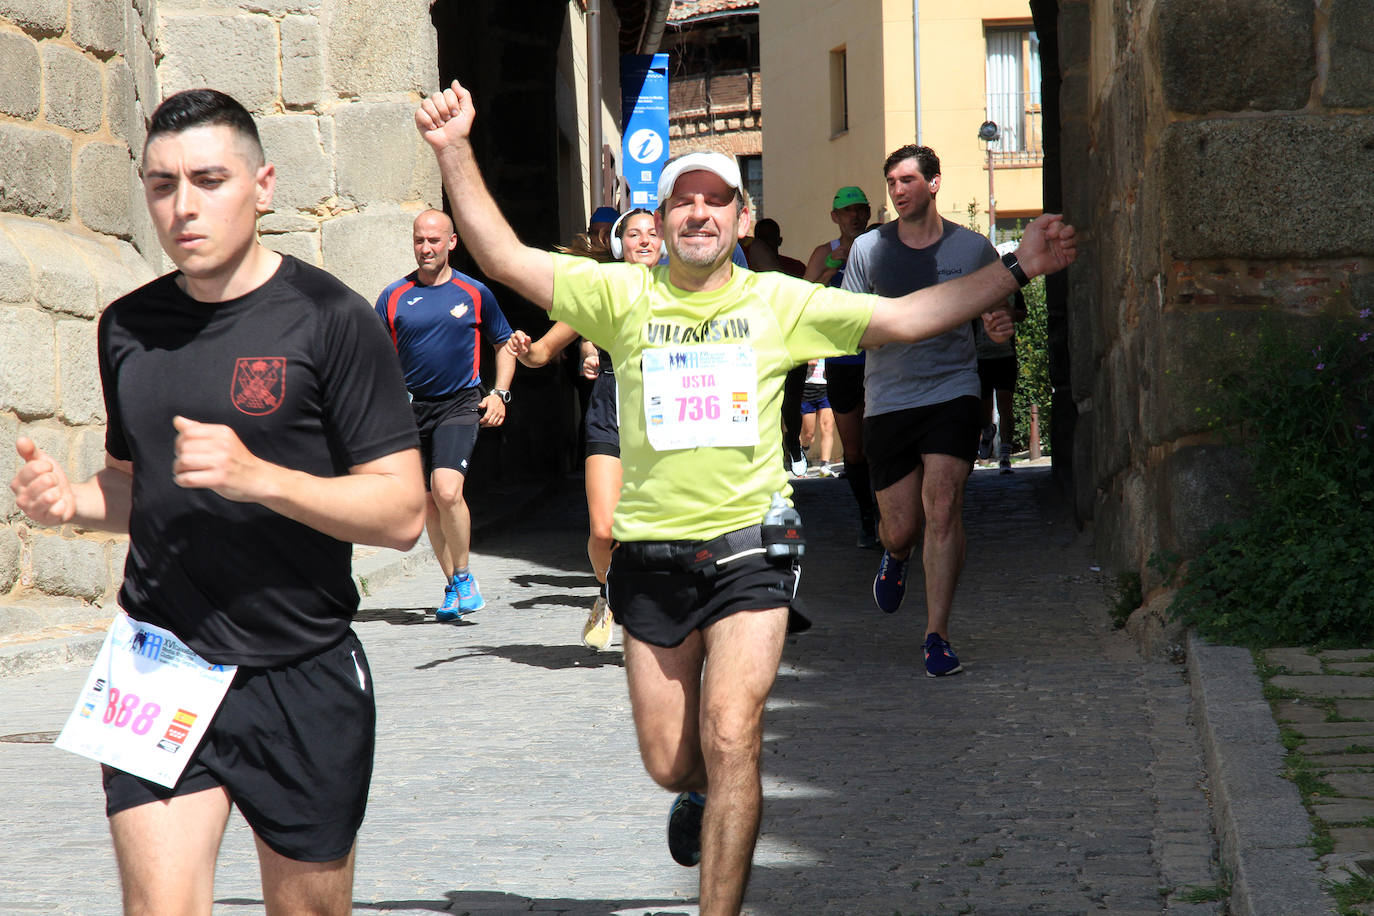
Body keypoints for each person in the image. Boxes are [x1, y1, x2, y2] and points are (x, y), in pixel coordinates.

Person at [414, 78, 1075, 916]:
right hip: (648, 552)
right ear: (664, 220)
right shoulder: (621, 296)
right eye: (682, 202)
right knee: (671, 759)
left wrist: (1019, 265)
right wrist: (452, 150)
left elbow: (908, 318)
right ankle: (695, 794)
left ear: (736, 217)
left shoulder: (777, 301)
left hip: (750, 546)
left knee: (732, 733)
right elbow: (504, 258)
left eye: (716, 200)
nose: (698, 213)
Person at [8, 88, 425, 914]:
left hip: (299, 669)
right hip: (158, 662)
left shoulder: (331, 319)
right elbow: (139, 485)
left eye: (208, 179)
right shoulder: (127, 326)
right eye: (163, 186)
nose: (183, 207)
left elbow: (403, 515)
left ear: (263, 185)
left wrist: (259, 477)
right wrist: (73, 505)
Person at [842, 143, 1015, 678]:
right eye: (891, 182)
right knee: (902, 527)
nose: (897, 191)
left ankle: (936, 634)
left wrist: (996, 324)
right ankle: (895, 557)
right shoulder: (869, 250)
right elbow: (849, 323)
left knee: (943, 508)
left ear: (934, 184)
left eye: (908, 180)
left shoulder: (974, 248)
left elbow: (998, 308)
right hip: (890, 399)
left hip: (953, 391)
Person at [504, 208, 662, 650]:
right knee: (602, 530)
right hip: (609, 412)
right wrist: (526, 350)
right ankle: (610, 589)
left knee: (657, 531)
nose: (645, 240)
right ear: (619, 245)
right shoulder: (601, 293)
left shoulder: (682, 292)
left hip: (663, 422)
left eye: (653, 233)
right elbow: (543, 353)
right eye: (634, 234)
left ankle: (651, 606)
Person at [375, 209, 516, 620]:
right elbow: (374, 356)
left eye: (434, 240)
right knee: (428, 504)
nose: (426, 248)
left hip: (459, 403)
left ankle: (466, 574)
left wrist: (500, 395)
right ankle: (454, 583)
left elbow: (504, 342)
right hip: (411, 410)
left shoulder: (474, 293)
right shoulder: (393, 296)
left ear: (451, 243)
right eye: (420, 240)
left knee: (447, 490)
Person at [805, 186, 878, 545]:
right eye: (848, 211)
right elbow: (802, 301)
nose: (856, 217)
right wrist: (834, 265)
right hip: (844, 359)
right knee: (854, 448)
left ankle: (890, 511)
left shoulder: (881, 244)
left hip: (883, 357)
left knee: (884, 439)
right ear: (835, 217)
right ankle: (867, 514)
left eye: (861, 210)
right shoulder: (825, 253)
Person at [977, 288, 1028, 472]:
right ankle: (987, 430)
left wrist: (1011, 313)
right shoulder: (974, 288)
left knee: (1005, 406)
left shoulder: (1012, 289)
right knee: (984, 409)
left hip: (1005, 355)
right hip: (981, 357)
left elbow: (1022, 313)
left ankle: (1005, 457)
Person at [798, 359, 836, 474]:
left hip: (825, 385)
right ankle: (803, 452)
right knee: (808, 434)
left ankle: (824, 465)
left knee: (828, 426)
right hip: (807, 386)